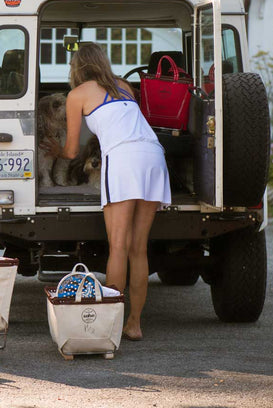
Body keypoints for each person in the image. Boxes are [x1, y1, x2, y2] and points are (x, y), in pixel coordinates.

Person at [42, 43, 171, 341]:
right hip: (153, 155)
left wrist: (56, 150)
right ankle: (134, 324)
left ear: (77, 66)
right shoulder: (124, 85)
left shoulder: (77, 95)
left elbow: (73, 149)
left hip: (124, 160)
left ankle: (110, 324)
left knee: (118, 247)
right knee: (139, 248)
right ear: (103, 62)